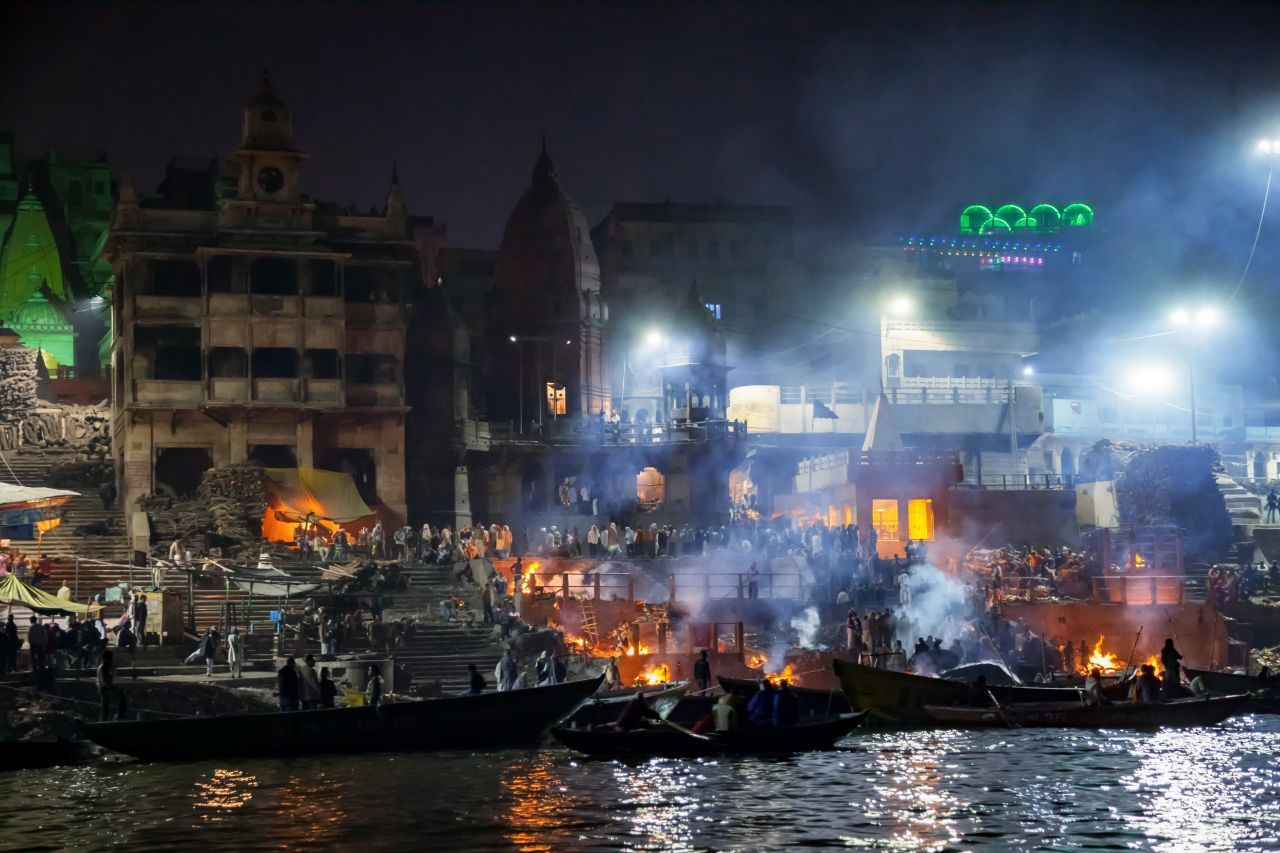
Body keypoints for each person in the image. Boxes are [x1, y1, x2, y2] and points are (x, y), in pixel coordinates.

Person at [97, 649, 127, 721]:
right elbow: (106, 680)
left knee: (105, 707)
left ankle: (103, 720)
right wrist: (112, 688)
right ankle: (120, 715)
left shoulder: (102, 666)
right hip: (105, 689)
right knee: (121, 694)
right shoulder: (105, 667)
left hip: (102, 688)